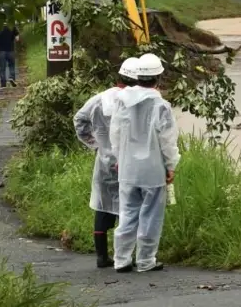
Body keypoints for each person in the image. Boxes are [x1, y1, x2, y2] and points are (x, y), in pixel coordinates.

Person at [109, 53, 179, 273]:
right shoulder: (161, 106)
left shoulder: (122, 101)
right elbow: (167, 140)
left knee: (127, 213)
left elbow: (115, 133)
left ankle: (121, 259)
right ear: (158, 77)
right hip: (153, 169)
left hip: (128, 168)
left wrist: (119, 158)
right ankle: (146, 260)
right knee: (150, 216)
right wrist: (171, 166)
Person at [73, 57, 141, 268]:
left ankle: (102, 256)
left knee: (103, 206)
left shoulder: (99, 99)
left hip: (105, 161)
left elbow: (79, 120)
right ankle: (129, 256)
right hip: (132, 161)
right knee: (131, 207)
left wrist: (95, 145)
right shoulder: (139, 101)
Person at [0, 20, 19, 88]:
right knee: (11, 66)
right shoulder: (13, 27)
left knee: (2, 68)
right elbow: (17, 39)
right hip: (10, 50)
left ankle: (3, 84)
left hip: (1, 51)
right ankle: (12, 78)